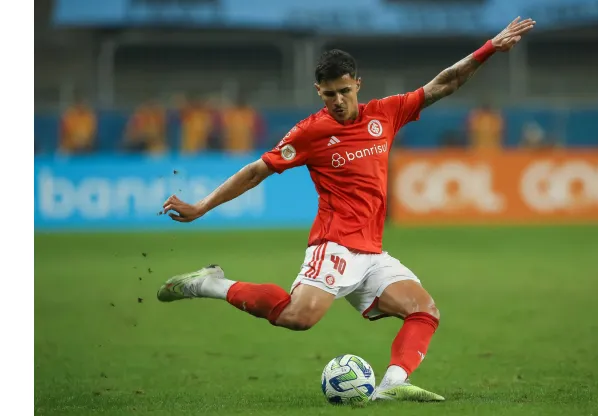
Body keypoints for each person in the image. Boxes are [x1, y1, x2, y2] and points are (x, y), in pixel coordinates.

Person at [157, 17, 535, 402]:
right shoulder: (310, 132)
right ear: (318, 92)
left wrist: (489, 48)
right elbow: (257, 171)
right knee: (298, 318)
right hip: (334, 244)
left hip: (372, 251)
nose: (337, 101)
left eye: (343, 91)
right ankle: (209, 283)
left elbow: (446, 83)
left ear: (357, 84)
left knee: (424, 310)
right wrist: (202, 206)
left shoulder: (385, 114)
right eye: (328, 95)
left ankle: (390, 386)